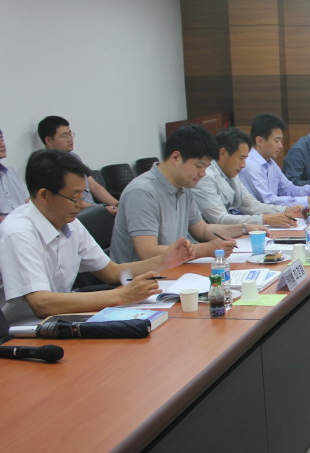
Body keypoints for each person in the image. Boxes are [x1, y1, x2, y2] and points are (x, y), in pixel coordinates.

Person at [0, 150, 193, 324]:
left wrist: (163, 261)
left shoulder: (70, 223)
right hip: (24, 330)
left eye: (82, 194)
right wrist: (121, 296)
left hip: (64, 318)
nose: (80, 204)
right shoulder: (19, 232)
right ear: (44, 195)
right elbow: (41, 303)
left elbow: (111, 272)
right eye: (74, 196)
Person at [111, 124, 246, 263]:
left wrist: (245, 228)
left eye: (206, 167)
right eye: (199, 166)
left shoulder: (183, 186)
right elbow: (148, 252)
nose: (203, 174)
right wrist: (204, 249)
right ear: (176, 157)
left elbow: (202, 230)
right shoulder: (142, 192)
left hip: (173, 267)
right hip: (143, 274)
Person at [193, 127, 303, 227]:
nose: (243, 165)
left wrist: (286, 210)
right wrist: (264, 219)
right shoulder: (205, 176)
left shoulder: (231, 173)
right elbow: (219, 219)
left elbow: (251, 205)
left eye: (245, 159)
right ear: (223, 153)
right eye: (241, 158)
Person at [37, 115, 119, 216]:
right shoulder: (46, 166)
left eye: (70, 134)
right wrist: (102, 209)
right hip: (76, 214)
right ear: (49, 140)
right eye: (64, 136)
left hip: (92, 209)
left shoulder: (74, 157)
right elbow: (70, 200)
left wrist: (118, 204)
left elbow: (94, 186)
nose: (70, 139)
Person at [239, 113, 310, 207]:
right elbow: (268, 200)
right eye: (276, 141)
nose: (280, 146)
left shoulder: (270, 163)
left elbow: (289, 190)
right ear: (259, 141)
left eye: (280, 141)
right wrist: (306, 200)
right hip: (253, 215)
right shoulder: (250, 165)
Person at [0, 127, 29, 222]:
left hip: (23, 222)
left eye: (2, 139)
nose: (2, 145)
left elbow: (28, 200)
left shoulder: (12, 172)